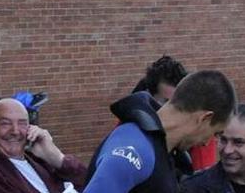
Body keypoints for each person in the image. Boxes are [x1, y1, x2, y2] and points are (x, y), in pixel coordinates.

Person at [83, 70, 237, 193]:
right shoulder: (135, 150)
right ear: (204, 118)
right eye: (215, 133)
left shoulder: (164, 152)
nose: (207, 143)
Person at [0, 98, 86, 193]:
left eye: (22, 123)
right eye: (5, 123)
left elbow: (89, 183)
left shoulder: (40, 161)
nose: (15, 131)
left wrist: (56, 157)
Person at [133, 56, 217, 171]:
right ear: (150, 99)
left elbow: (205, 178)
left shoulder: (198, 129)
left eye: (179, 103)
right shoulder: (132, 123)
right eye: (167, 103)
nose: (175, 110)